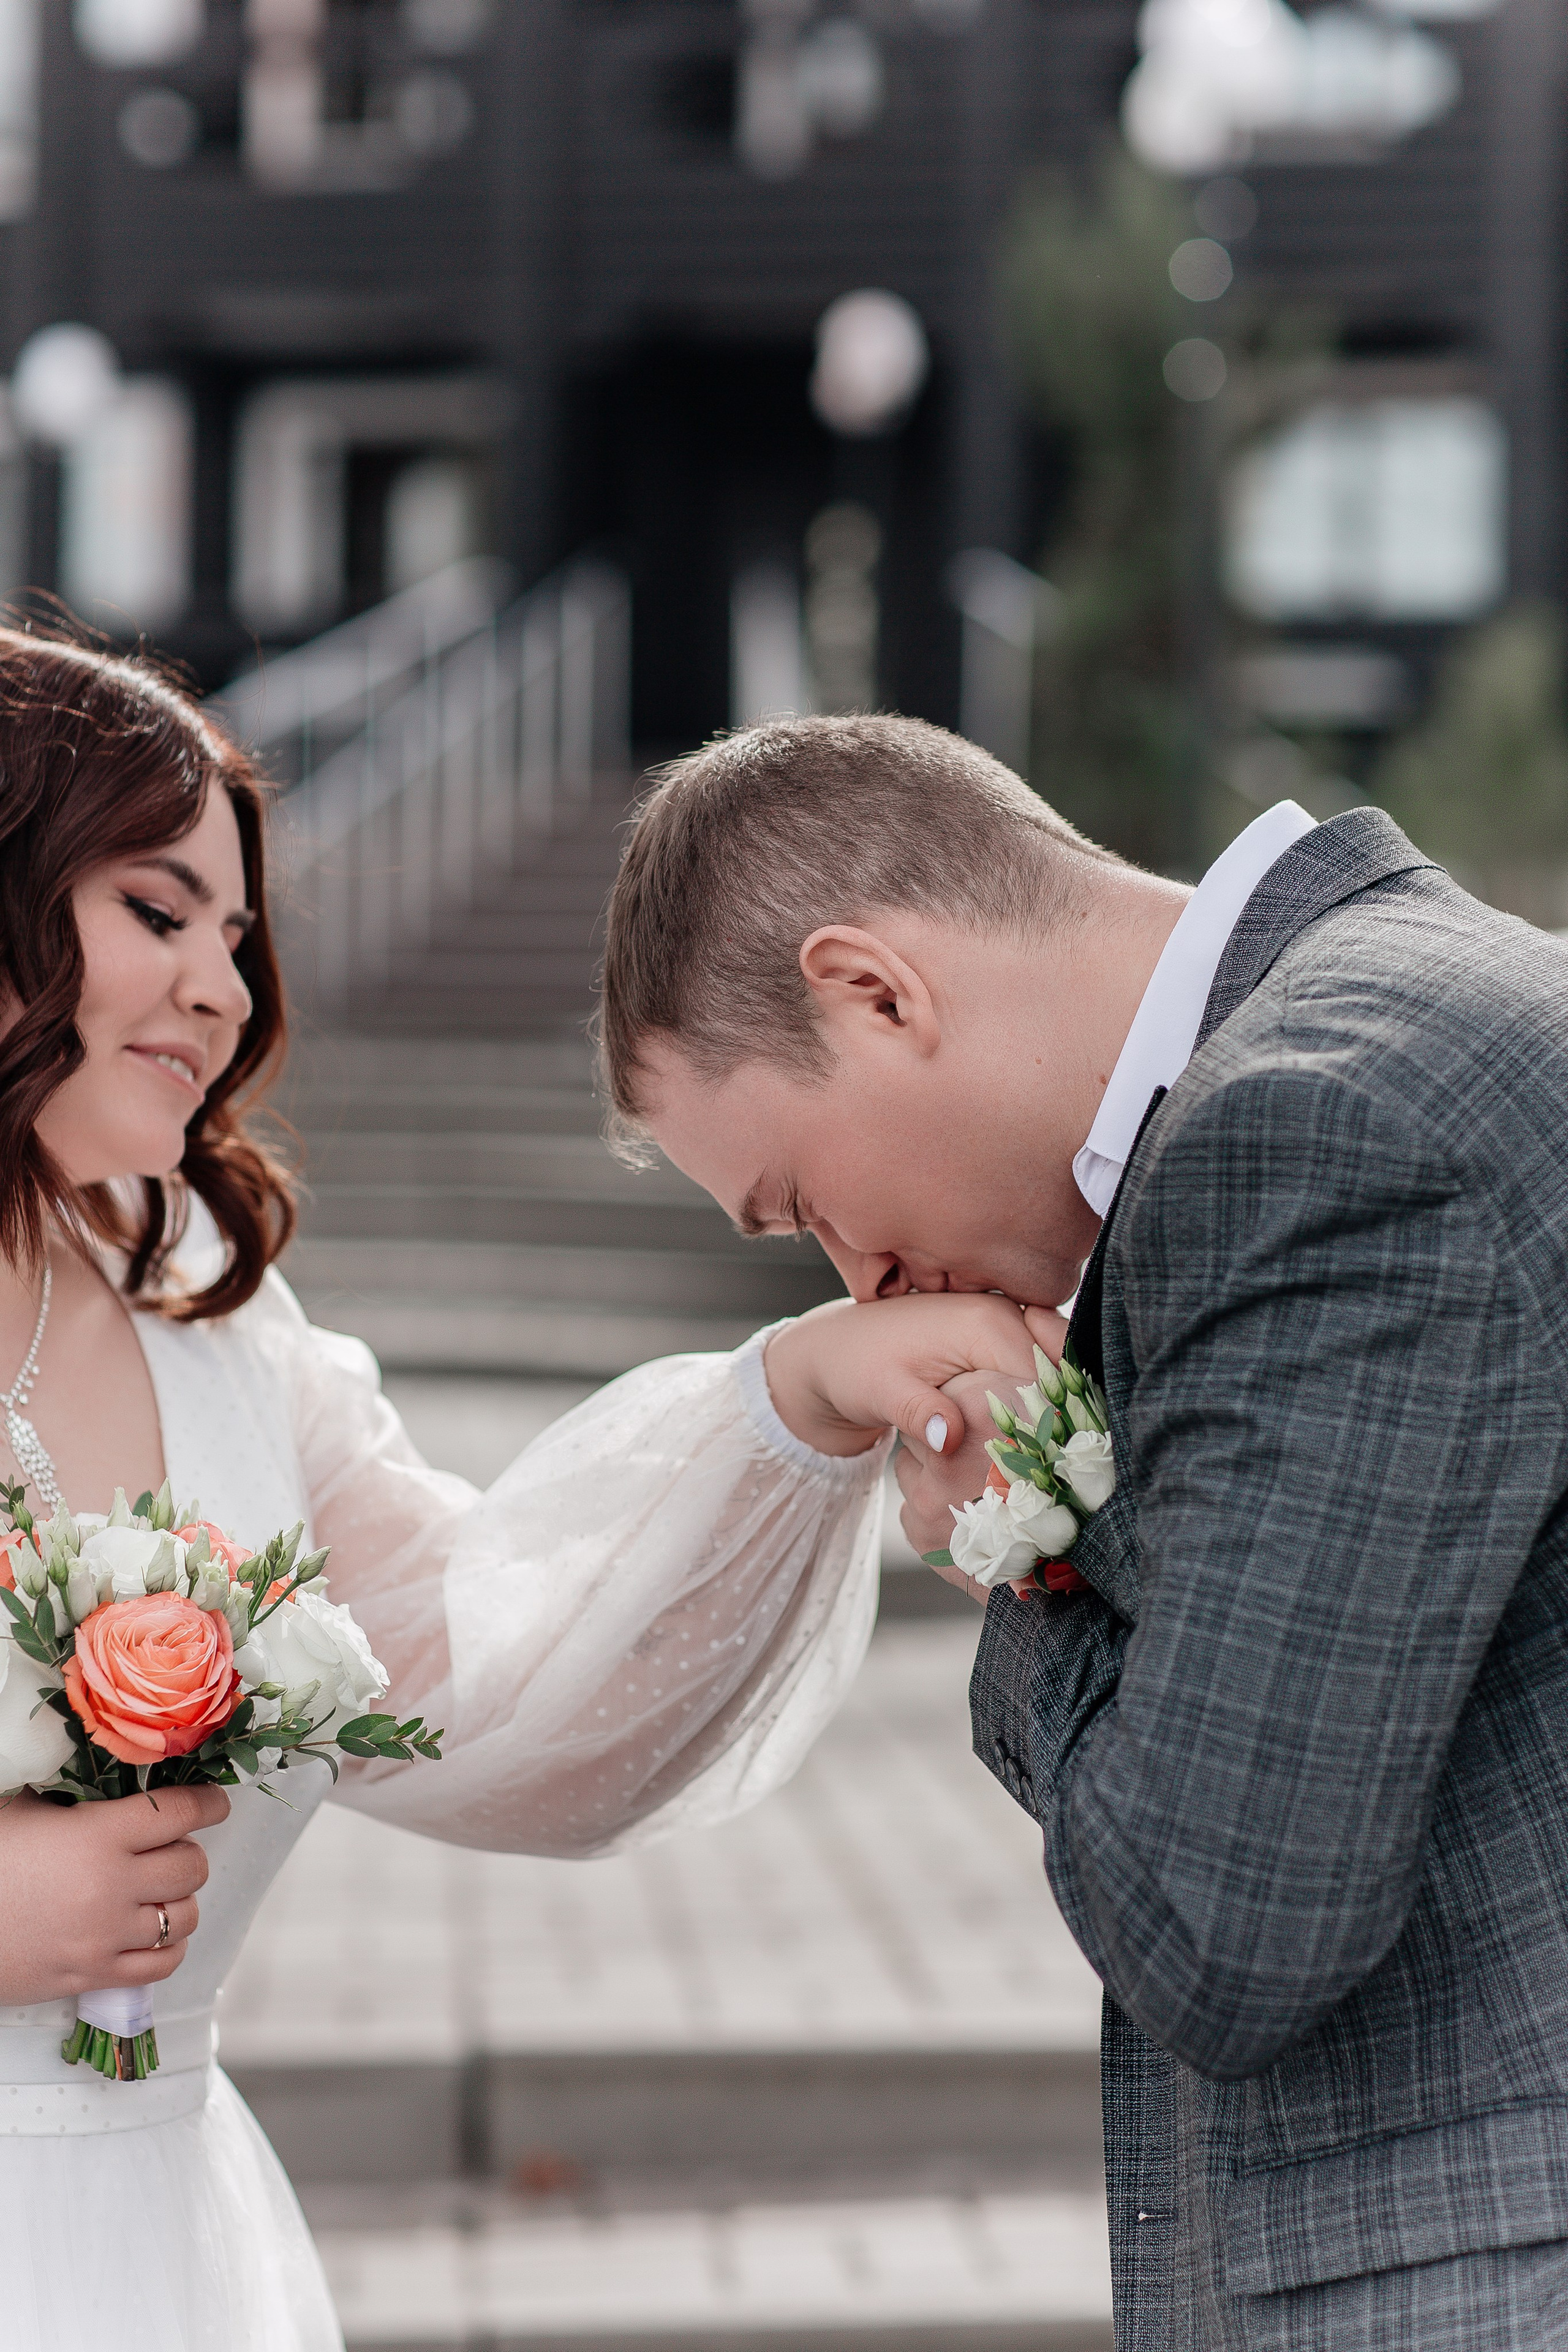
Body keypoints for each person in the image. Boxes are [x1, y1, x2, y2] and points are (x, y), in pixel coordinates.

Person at [0, 633, 1041, 2351]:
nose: (226, 993)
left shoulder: (212, 1316)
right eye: (159, 913)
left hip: (151, 2256)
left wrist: (805, 1396)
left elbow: (500, 1679)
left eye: (239, 937)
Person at [598, 710, 1568, 2352]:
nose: (861, 1283)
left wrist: (1023, 1550)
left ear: (874, 991)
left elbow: (1221, 1927)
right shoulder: (1412, 1019)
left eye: (806, 1207)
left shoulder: (1315, 1124)